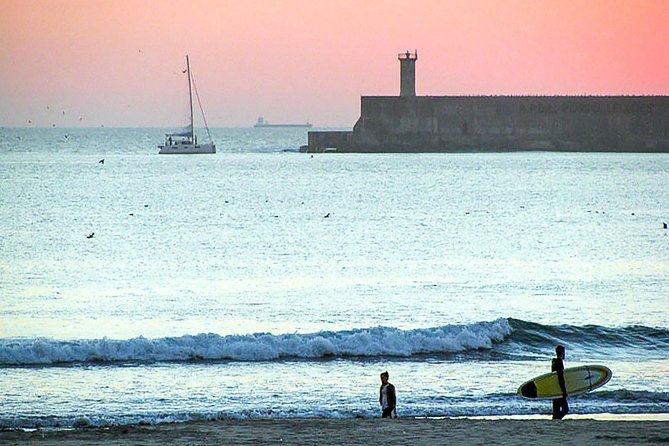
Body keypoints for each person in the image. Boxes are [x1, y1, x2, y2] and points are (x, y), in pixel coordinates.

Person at [552, 345, 569, 420]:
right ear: (562, 352)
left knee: (556, 410)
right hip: (559, 389)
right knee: (565, 409)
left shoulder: (554, 361)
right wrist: (564, 391)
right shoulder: (559, 362)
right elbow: (560, 377)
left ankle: (555, 421)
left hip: (554, 388)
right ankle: (557, 419)